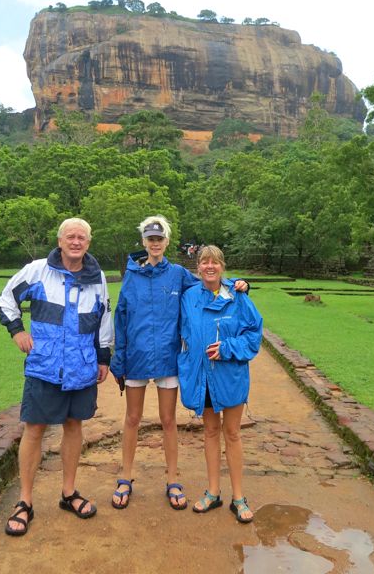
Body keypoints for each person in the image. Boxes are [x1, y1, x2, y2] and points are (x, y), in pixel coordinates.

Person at [110, 216, 248, 511]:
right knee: (132, 419)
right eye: (150, 238)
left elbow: (209, 281)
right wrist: (118, 360)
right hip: (136, 357)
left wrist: (239, 285)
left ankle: (173, 478)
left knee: (168, 420)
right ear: (144, 241)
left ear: (167, 242)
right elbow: (120, 317)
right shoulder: (131, 275)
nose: (155, 243)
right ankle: (125, 477)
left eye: (159, 239)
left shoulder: (177, 275)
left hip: (167, 358)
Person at [0, 218, 113, 536]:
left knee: (74, 426)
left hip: (82, 368)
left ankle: (68, 492)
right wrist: (17, 330)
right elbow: (6, 299)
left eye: (82, 237)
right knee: (34, 430)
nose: (76, 241)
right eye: (70, 236)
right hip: (45, 366)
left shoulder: (97, 278)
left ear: (89, 243)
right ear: (60, 241)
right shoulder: (37, 270)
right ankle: (25, 501)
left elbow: (104, 318)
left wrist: (104, 358)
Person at [177, 245, 262, 523]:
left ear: (222, 266)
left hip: (229, 375)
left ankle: (239, 497)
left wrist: (227, 347)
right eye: (204, 262)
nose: (209, 266)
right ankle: (213, 492)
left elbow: (253, 334)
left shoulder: (237, 296)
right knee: (211, 431)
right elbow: (182, 334)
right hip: (203, 376)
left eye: (215, 262)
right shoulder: (189, 297)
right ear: (198, 267)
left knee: (233, 433)